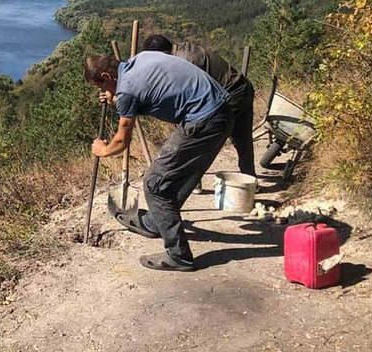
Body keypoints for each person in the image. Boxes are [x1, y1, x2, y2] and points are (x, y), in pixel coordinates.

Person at [85, 51, 234, 271]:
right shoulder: (142, 58)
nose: (103, 93)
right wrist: (116, 97)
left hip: (203, 120)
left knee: (154, 184)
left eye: (101, 88)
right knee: (179, 176)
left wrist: (102, 150)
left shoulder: (126, 91)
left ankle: (179, 255)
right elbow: (146, 91)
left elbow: (121, 142)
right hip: (222, 109)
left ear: (107, 76)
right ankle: (155, 223)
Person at [143, 34, 256, 177]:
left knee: (198, 138)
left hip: (231, 94)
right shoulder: (181, 50)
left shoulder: (182, 62)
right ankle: (250, 179)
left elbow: (192, 97)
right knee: (243, 138)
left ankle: (193, 181)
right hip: (242, 87)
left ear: (162, 53)